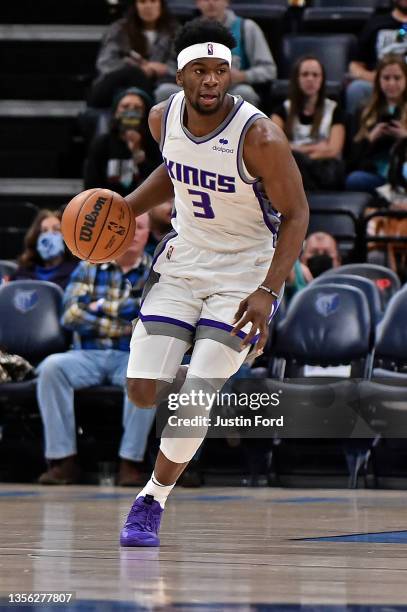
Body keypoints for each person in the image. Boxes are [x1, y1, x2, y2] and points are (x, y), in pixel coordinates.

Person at [118, 18, 309, 547]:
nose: (210, 80)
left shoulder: (261, 137)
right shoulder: (161, 119)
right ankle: (197, 358)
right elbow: (176, 170)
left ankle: (151, 498)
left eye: (219, 70)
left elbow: (297, 214)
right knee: (141, 392)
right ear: (180, 75)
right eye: (199, 70)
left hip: (247, 269)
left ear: (230, 73)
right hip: (186, 259)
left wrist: (269, 291)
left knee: (197, 392)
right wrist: (125, 210)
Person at [36, 214, 157, 486]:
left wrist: (99, 306)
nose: (134, 234)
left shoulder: (157, 269)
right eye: (129, 228)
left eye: (140, 228)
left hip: (132, 355)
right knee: (52, 368)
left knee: (150, 372)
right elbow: (70, 315)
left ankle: (130, 462)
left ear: (148, 234)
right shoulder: (89, 264)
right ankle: (63, 461)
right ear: (117, 231)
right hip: (85, 355)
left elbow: (150, 319)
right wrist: (124, 324)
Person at [271, 56, 346, 191]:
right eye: (305, 74)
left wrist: (294, 148)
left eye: (315, 75)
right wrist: (315, 149)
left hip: (325, 170)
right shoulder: (281, 110)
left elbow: (334, 150)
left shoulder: (335, 110)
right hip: (294, 168)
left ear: (322, 79)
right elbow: (275, 146)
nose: (310, 79)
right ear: (297, 79)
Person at [88, 0, 179, 108]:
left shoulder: (175, 31)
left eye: (153, 1)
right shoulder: (119, 30)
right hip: (124, 84)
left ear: (161, 5)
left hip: (162, 83)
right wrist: (137, 69)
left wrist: (162, 68)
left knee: (165, 91)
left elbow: (185, 66)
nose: (148, 6)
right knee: (132, 81)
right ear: (135, 6)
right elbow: (105, 63)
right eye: (143, 2)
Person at [346, 54, 407, 195]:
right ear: (378, 80)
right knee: (354, 180)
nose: (391, 83)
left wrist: (404, 136)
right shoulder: (364, 110)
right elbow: (352, 159)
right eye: (386, 78)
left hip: (403, 172)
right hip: (376, 175)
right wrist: (370, 138)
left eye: (397, 78)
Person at [84, 87, 158, 197]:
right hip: (107, 205)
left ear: (145, 114)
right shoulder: (102, 143)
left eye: (137, 108)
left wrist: (137, 151)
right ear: (115, 112)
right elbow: (91, 184)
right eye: (125, 106)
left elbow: (157, 184)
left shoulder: (154, 142)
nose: (131, 112)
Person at [347, 0, 407, 114]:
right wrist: (376, 78)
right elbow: (355, 65)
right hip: (378, 85)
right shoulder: (375, 23)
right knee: (357, 89)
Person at [11, 209, 77, 289]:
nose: (49, 235)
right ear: (36, 237)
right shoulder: (23, 272)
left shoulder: (77, 270)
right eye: (44, 231)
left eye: (56, 230)